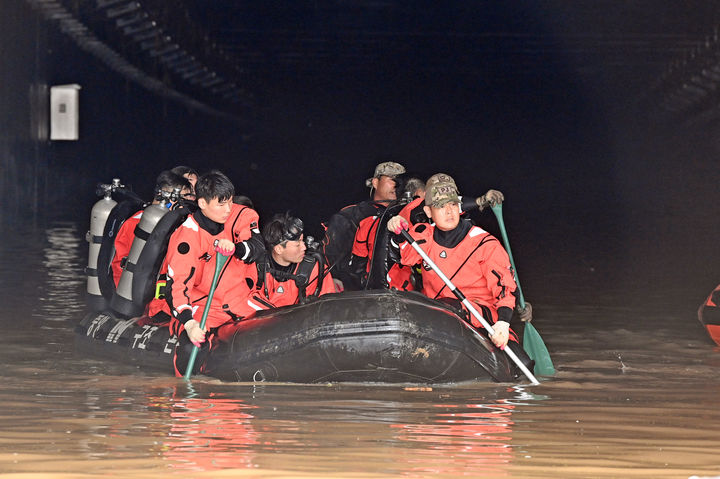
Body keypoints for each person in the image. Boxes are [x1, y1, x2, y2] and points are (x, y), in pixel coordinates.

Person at [386, 177, 532, 358]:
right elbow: (405, 257)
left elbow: (506, 288)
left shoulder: (485, 244)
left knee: (523, 364)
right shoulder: (423, 235)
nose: (449, 211)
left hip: (481, 317)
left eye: (453, 205)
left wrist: (503, 323)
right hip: (437, 316)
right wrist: (398, 231)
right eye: (440, 206)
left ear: (459, 208)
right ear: (428, 211)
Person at [164, 170, 265, 375]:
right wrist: (190, 324)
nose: (228, 209)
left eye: (230, 201)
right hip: (205, 307)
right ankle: (189, 398)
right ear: (202, 203)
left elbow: (257, 247)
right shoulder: (186, 238)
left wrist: (236, 248)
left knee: (281, 324)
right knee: (190, 347)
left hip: (243, 300)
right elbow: (177, 286)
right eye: (221, 203)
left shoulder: (241, 215)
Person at [322, 161, 408, 292]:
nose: (397, 185)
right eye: (392, 179)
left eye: (400, 181)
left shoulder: (406, 214)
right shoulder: (352, 214)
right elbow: (333, 251)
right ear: (375, 182)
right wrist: (335, 278)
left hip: (403, 292)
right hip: (360, 294)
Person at [110, 170, 193, 287]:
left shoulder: (147, 218)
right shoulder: (141, 223)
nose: (186, 206)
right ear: (171, 199)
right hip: (146, 297)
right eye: (184, 200)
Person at [246, 213, 336, 309]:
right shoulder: (253, 269)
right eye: (297, 244)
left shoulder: (315, 271)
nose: (304, 247)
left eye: (302, 240)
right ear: (279, 249)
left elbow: (329, 308)